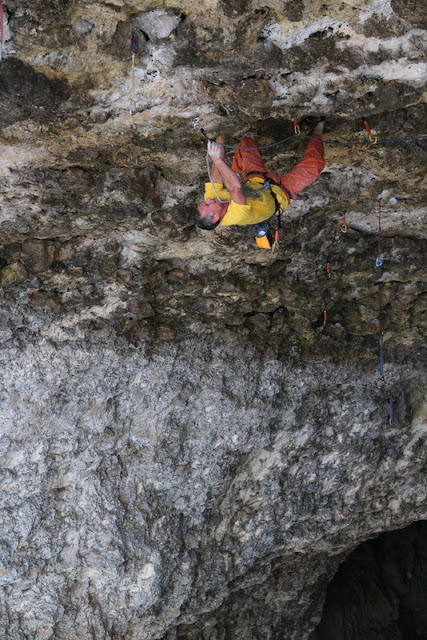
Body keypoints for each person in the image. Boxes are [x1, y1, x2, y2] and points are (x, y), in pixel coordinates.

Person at [195, 119, 326, 230]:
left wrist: (221, 132)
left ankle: (236, 168)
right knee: (315, 165)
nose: (208, 199)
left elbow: (217, 166)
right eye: (208, 205)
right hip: (280, 194)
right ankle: (318, 127)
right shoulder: (236, 215)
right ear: (215, 218)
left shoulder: (212, 199)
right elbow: (235, 188)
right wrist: (217, 160)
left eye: (205, 202)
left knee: (247, 144)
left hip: (257, 182)